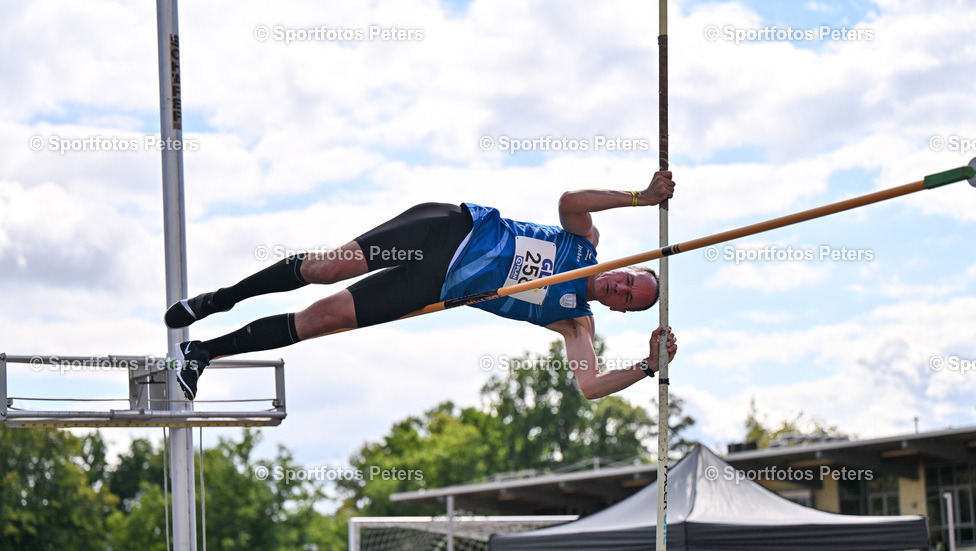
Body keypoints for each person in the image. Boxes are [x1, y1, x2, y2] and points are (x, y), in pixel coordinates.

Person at [168, 172, 678, 401]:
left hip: (434, 288)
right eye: (631, 279)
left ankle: (203, 354)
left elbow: (589, 388)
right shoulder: (584, 241)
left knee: (320, 321)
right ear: (624, 267)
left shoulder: (575, 322)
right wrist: (642, 195)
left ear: (622, 312)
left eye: (631, 299)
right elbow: (571, 199)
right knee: (327, 268)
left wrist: (645, 367)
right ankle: (218, 300)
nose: (623, 289)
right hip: (445, 231)